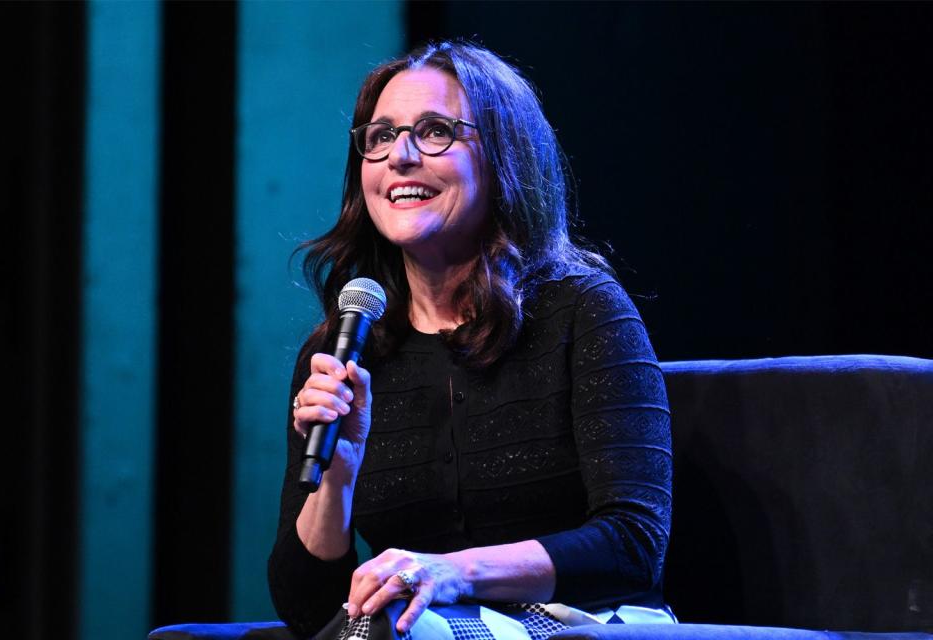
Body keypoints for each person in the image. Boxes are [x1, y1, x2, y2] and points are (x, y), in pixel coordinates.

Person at [268, 41, 673, 639]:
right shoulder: (344, 348)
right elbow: (308, 612)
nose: (399, 156)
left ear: (504, 159)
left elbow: (632, 544)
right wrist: (338, 476)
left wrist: (450, 572)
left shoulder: (582, 312)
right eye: (379, 136)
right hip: (412, 624)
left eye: (434, 131)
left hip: (583, 619)